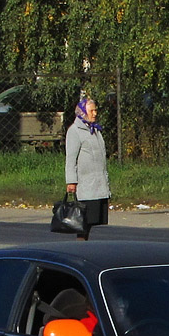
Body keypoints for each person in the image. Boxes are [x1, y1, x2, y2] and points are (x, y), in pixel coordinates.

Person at [65, 95, 110, 241]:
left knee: (91, 220)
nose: (95, 114)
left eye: (96, 110)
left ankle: (84, 244)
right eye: (92, 111)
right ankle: (80, 246)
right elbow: (71, 158)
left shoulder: (95, 130)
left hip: (97, 183)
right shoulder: (75, 131)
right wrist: (71, 181)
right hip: (85, 184)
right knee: (83, 220)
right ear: (83, 112)